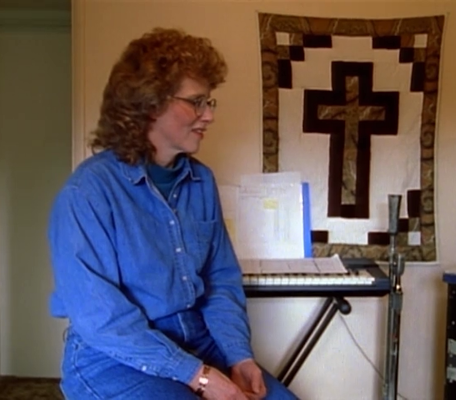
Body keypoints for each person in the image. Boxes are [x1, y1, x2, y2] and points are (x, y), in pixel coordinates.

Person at [46, 27, 301, 400]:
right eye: (196, 102)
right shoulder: (87, 193)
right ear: (150, 104)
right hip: (111, 357)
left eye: (209, 102)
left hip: (196, 340)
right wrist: (199, 377)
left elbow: (220, 280)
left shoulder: (202, 182)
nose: (208, 115)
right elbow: (101, 319)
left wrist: (239, 355)